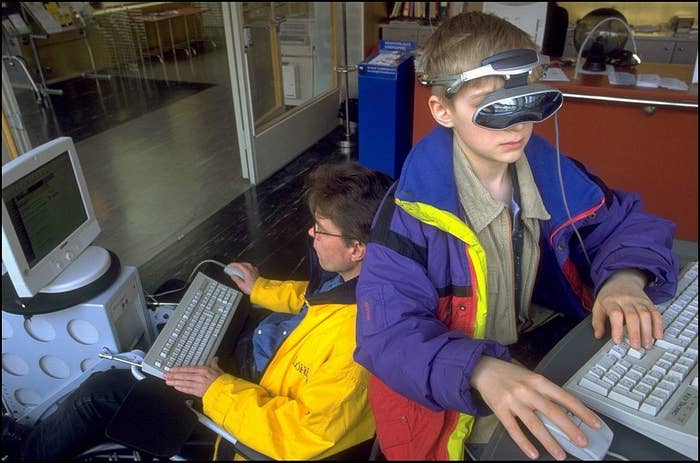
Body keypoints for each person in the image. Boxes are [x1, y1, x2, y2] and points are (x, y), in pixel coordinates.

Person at [354, 11, 679, 462]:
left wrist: (625, 277)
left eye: (523, 98)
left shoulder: (550, 173)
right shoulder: (410, 215)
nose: (515, 124)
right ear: (442, 110)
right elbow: (385, 337)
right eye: (489, 104)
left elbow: (627, 222)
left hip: (530, 344)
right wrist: (481, 369)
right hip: (448, 398)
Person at [9, 161, 393, 461]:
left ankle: (22, 454)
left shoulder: (354, 348)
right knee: (174, 290)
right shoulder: (373, 279)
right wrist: (259, 289)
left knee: (101, 391)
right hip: (268, 362)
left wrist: (216, 387)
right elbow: (318, 301)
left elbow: (301, 438)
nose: (311, 234)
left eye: (320, 230)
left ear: (357, 246)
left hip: (248, 404)